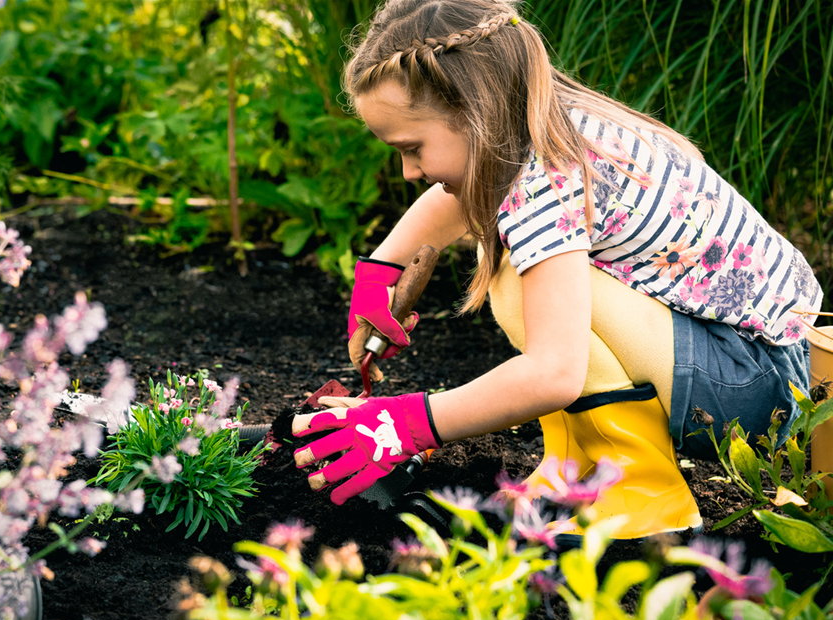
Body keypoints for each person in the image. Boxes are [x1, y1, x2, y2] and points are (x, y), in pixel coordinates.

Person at [291, 0, 823, 540]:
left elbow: (554, 372)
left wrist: (407, 424)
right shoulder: (539, 126)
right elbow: (448, 200)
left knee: (526, 283)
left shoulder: (547, 172)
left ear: (474, 111)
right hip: (740, 364)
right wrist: (381, 272)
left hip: (758, 388)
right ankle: (576, 472)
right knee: (516, 271)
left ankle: (643, 488)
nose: (408, 172)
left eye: (413, 148)